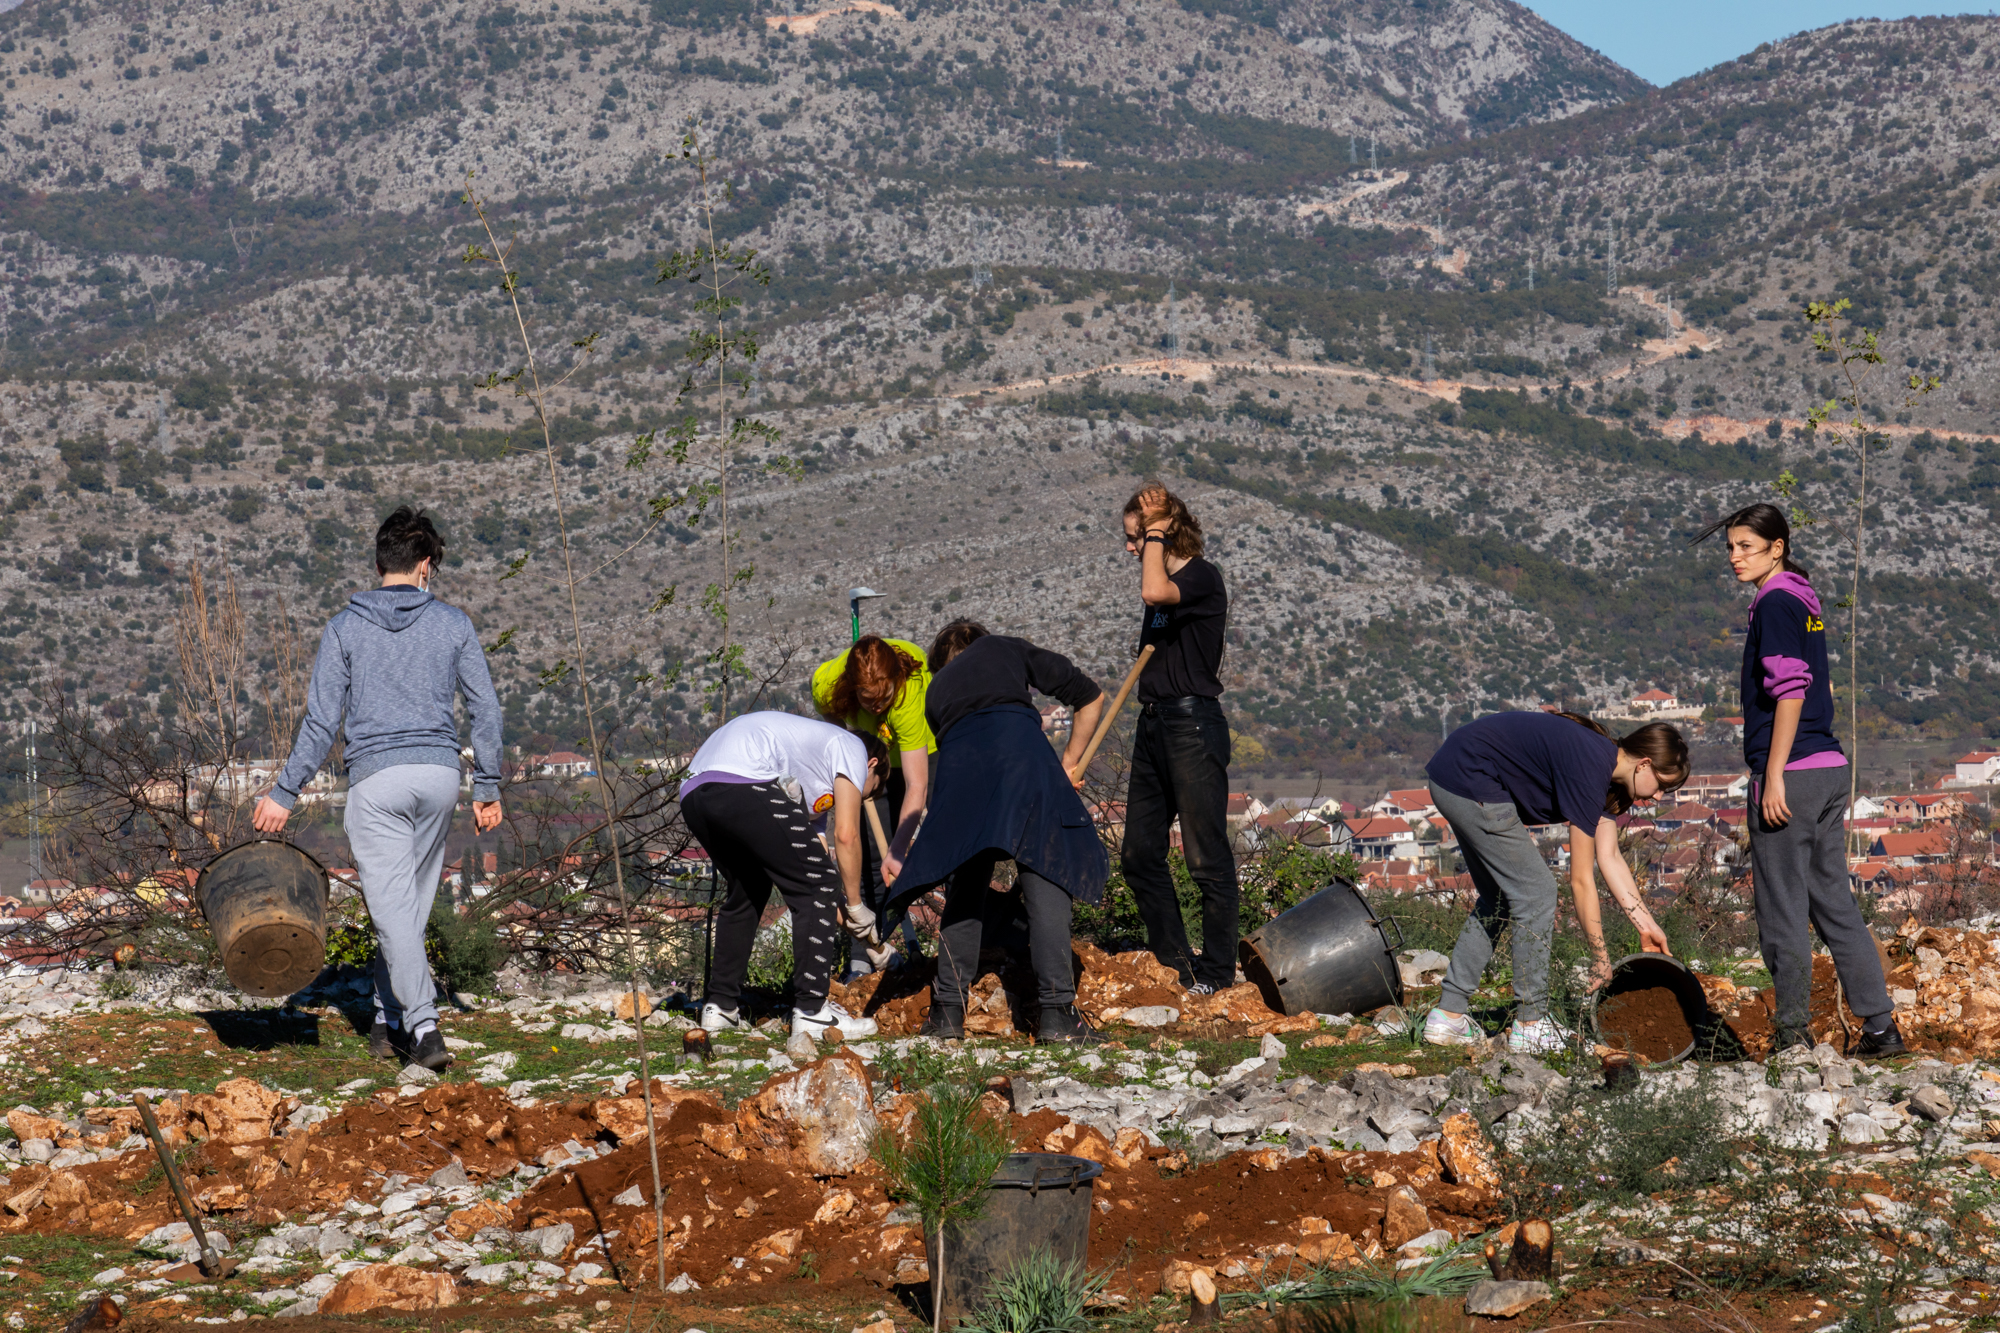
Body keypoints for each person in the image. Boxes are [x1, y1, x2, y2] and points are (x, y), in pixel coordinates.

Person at [254, 506, 503, 1073]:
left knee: (392, 911)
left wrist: (284, 792)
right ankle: (388, 1018)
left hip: (377, 781)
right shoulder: (453, 623)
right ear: (424, 567)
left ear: (377, 565)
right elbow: (485, 708)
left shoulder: (344, 626)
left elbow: (321, 723)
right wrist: (486, 785)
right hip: (440, 778)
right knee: (407, 910)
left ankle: (424, 1025)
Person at [1695, 502, 1904, 1056]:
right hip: (1830, 769)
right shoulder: (1803, 600)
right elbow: (1814, 689)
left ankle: (1791, 1038)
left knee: (1781, 907)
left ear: (1777, 547)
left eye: (1747, 546)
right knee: (1834, 901)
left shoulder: (1776, 603)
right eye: (1731, 548)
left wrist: (1774, 775)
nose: (1736, 557)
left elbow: (1789, 692)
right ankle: (1881, 1030)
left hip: (1793, 773)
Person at [1420, 710, 1689, 1055]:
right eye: (1663, 786)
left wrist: (1646, 924)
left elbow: (1609, 858)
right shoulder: (1592, 766)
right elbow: (1580, 879)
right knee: (1537, 891)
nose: (1659, 798)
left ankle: (1448, 1016)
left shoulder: (1610, 780)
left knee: (1498, 897)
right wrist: (1599, 955)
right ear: (1645, 764)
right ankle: (1531, 1024)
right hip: (1470, 776)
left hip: (1455, 775)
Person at [890, 620, 1108, 1045]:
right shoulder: (1004, 648)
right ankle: (1058, 1014)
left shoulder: (933, 692)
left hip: (960, 775)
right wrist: (1067, 764)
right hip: (1021, 759)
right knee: (1046, 873)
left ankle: (948, 1013)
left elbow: (970, 741)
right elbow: (1090, 696)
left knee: (965, 888)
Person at [681, 710, 887, 1041]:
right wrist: (856, 904)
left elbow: (809, 870)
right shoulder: (852, 747)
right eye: (869, 790)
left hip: (693, 791)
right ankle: (812, 1012)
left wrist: (857, 927)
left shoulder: (807, 785)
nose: (860, 797)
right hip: (742, 781)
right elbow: (845, 838)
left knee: (749, 888)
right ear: (872, 765)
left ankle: (719, 1009)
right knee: (818, 885)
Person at [1119, 482, 1237, 993]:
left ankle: (1216, 974)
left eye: (1135, 538)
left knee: (1205, 858)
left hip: (1192, 726)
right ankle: (1176, 965)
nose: (1130, 549)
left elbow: (1153, 590)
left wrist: (1156, 531)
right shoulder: (1165, 584)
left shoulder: (1202, 577)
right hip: (1154, 724)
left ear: (1165, 534)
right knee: (1139, 854)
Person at [811, 635, 935, 972]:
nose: (877, 707)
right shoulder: (827, 685)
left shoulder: (910, 692)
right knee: (866, 853)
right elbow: (833, 739)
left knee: (934, 842)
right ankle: (864, 955)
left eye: (884, 699)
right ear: (852, 690)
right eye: (868, 701)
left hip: (925, 754)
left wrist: (898, 849)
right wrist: (854, 763)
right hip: (872, 754)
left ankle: (956, 953)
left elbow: (917, 785)